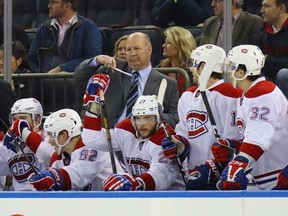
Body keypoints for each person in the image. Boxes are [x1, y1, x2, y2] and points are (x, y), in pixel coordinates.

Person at [81, 76, 189, 190]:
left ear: (158, 119)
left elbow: (161, 174)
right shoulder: (127, 130)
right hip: (141, 196)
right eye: (138, 118)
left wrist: (136, 185)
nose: (141, 123)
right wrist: (94, 104)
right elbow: (91, 139)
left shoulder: (165, 139)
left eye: (147, 118)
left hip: (173, 198)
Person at [161, 44, 242, 190]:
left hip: (221, 175)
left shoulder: (228, 94)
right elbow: (183, 130)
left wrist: (218, 165)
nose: (190, 69)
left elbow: (234, 137)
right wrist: (178, 143)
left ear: (203, 67)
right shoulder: (187, 95)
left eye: (193, 64)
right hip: (193, 172)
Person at [216, 45, 288, 190]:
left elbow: (259, 136)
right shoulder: (248, 94)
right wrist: (234, 146)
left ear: (241, 72)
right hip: (263, 176)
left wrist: (241, 161)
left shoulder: (264, 94)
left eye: (231, 67)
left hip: (277, 175)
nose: (228, 71)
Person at [75, 32, 179, 128]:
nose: (132, 53)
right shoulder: (113, 69)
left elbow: (174, 119)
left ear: (149, 50)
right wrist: (97, 60)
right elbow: (79, 75)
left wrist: (153, 115)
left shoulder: (167, 83)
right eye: (128, 49)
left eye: (137, 48)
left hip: (143, 140)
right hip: (109, 135)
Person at [25, 108, 125, 191]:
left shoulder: (94, 146)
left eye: (51, 135)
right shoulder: (58, 158)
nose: (49, 141)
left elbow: (80, 175)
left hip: (119, 203)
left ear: (64, 135)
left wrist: (54, 177)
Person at [28, 0, 102, 73]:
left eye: (53, 2)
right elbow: (31, 57)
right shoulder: (44, 28)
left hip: (71, 79)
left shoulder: (88, 27)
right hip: (41, 79)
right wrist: (38, 75)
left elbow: (93, 58)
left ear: (67, 6)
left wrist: (62, 68)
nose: (49, 6)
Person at [1, 98, 54, 191]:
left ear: (37, 119)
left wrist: (25, 133)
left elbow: (48, 155)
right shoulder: (9, 144)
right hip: (20, 201)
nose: (16, 123)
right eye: (14, 119)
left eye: (22, 118)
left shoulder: (49, 138)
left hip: (47, 199)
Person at [252, 0, 288, 99]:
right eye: (262, 6)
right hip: (268, 76)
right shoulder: (261, 31)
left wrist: (267, 60)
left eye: (267, 6)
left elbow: (262, 60)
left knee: (283, 74)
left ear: (281, 8)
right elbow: (254, 61)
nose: (262, 10)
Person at [198, 0, 263, 48]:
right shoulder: (210, 22)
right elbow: (202, 52)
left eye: (217, 1)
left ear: (231, 2)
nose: (212, 4)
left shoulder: (253, 22)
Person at [158, 26, 197, 95]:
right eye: (165, 42)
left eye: (169, 43)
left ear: (181, 45)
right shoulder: (160, 68)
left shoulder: (194, 68)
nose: (163, 45)